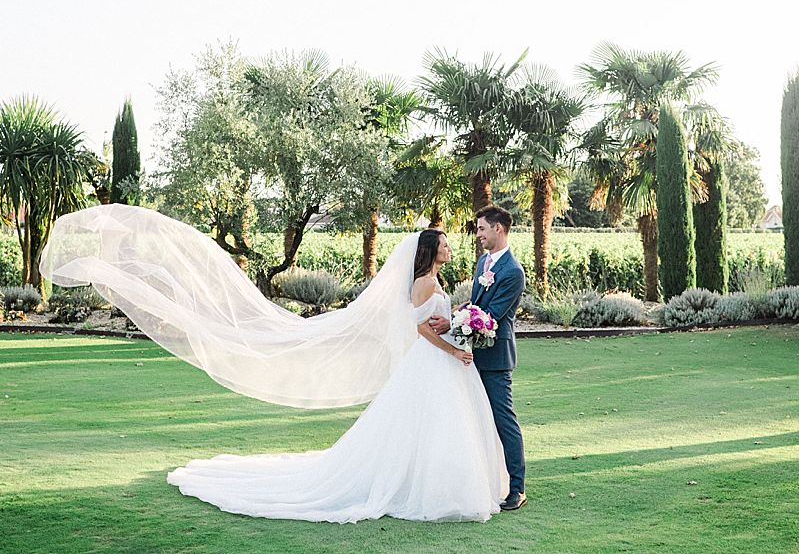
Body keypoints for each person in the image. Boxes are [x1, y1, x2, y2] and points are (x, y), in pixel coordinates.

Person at [40, 211, 507, 523]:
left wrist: (457, 330)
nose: (450, 244)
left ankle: (435, 484)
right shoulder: (424, 283)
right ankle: (433, 491)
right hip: (438, 360)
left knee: (434, 428)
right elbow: (419, 328)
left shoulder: (436, 280)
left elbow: (433, 323)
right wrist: (453, 345)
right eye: (443, 242)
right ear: (429, 251)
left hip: (443, 362)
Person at [428, 205, 527, 511]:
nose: (479, 234)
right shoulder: (483, 262)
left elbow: (491, 316)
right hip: (471, 355)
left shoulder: (512, 271)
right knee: (471, 421)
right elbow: (475, 303)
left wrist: (449, 324)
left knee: (503, 421)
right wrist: (456, 313)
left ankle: (517, 488)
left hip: (496, 358)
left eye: (482, 228)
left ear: (499, 229)